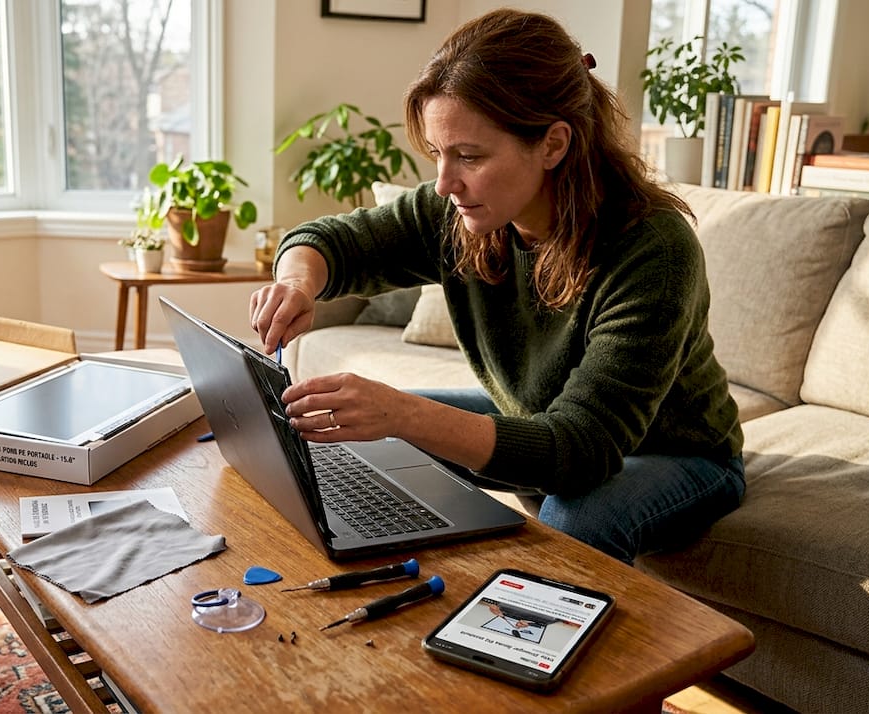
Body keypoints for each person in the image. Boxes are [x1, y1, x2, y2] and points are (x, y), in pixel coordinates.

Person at [248, 9, 744, 564]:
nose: (444, 183)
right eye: (437, 154)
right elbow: (326, 241)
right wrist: (297, 282)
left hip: (676, 452)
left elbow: (582, 449)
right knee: (352, 432)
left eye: (469, 156)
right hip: (535, 416)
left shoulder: (653, 249)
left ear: (553, 144)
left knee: (575, 518)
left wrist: (403, 414)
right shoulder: (458, 212)